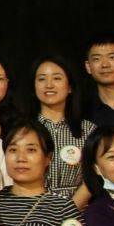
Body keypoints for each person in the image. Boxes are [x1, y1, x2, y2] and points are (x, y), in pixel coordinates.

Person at [28, 56, 93, 205]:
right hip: (33, 208)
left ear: (70, 87)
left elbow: (94, 176)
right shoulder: (23, 130)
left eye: (57, 78)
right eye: (42, 79)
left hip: (77, 212)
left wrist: (70, 209)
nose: (49, 85)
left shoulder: (88, 130)